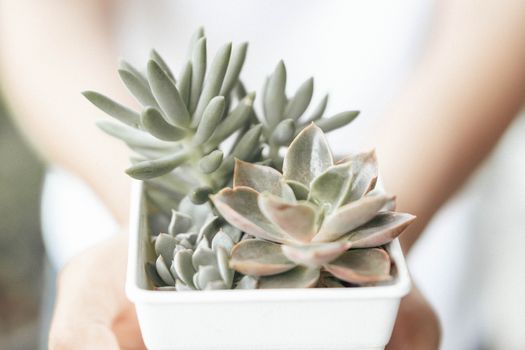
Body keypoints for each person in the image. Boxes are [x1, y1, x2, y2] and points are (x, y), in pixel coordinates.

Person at [1, 0, 525, 349]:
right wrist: (146, 211)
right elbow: (36, 21)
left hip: (415, 231)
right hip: (113, 261)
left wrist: (376, 230)